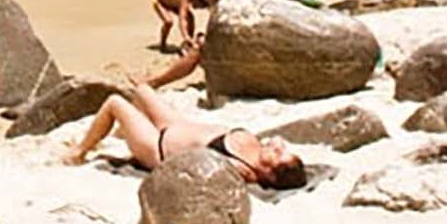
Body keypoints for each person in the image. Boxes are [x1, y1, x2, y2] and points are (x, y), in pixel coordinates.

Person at [63, 82, 305, 188]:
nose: (278, 149)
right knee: (141, 89)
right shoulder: (261, 151)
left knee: (115, 102)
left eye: (279, 157)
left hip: (158, 148)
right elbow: (279, 144)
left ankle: (79, 151)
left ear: (269, 175)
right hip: (176, 126)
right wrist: (280, 152)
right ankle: (122, 130)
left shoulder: (242, 170)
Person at [150, 0, 231, 53]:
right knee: (169, 21)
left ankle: (189, 43)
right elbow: (183, 19)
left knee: (190, 17)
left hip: (174, 3)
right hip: (159, 1)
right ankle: (163, 44)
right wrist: (185, 36)